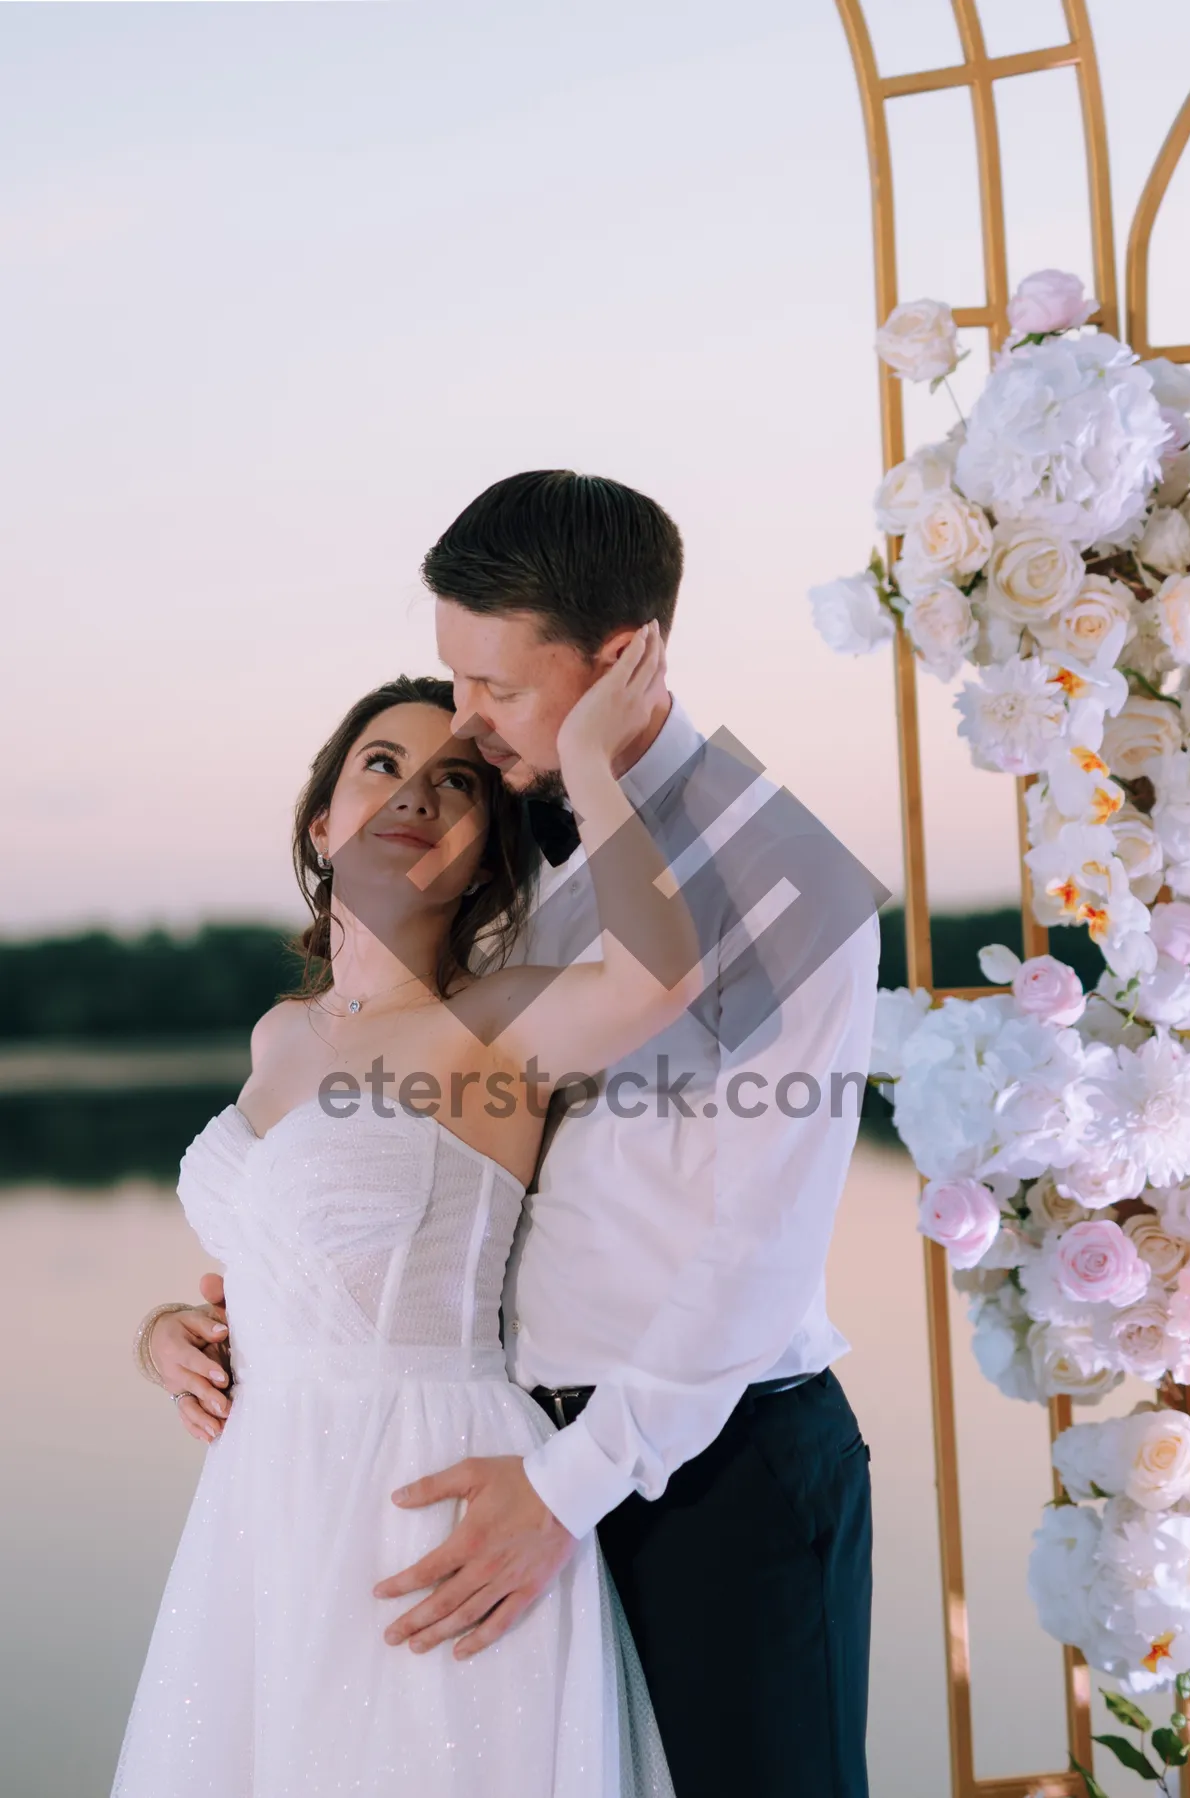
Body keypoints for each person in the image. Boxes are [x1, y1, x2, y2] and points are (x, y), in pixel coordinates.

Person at [149, 471, 883, 1798]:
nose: (468, 727)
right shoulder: (533, 844)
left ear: (618, 661)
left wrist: (568, 1488)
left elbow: (753, 1253)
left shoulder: (785, 879)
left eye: (491, 687)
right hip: (500, 1453)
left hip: (710, 1468)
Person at [114, 648, 697, 1798]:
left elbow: (652, 982)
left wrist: (584, 762)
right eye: (383, 764)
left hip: (426, 1489)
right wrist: (166, 1332)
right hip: (265, 1500)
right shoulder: (278, 1036)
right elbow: (278, 1258)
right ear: (323, 822)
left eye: (460, 782)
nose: (417, 793)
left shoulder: (490, 1026)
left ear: (486, 856)